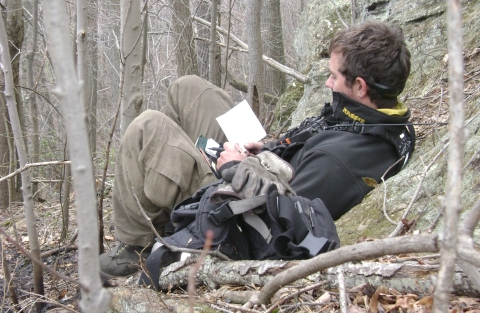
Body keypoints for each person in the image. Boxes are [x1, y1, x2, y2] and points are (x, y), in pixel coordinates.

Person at [99, 21, 415, 277]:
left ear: (360, 86)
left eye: (334, 76)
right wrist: (266, 148)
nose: (329, 84)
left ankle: (137, 250)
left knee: (146, 127)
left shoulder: (339, 161)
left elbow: (284, 219)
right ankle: (170, 189)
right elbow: (308, 148)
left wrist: (236, 168)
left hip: (232, 202)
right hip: (264, 164)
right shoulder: (379, 117)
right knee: (189, 87)